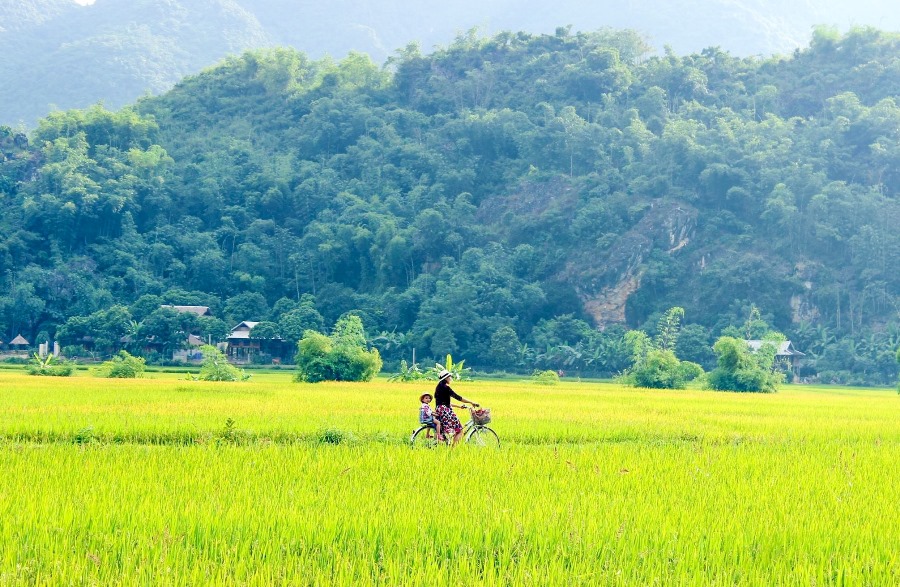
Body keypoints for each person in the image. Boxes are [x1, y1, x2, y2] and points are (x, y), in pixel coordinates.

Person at [434, 369, 478, 445]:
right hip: (445, 411)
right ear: (446, 378)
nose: (451, 378)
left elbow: (444, 403)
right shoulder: (446, 388)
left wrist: (458, 406)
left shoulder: (439, 387)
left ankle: (445, 442)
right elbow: (458, 397)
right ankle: (452, 451)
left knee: (445, 430)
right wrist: (471, 402)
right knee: (460, 430)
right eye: (449, 376)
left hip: (439, 409)